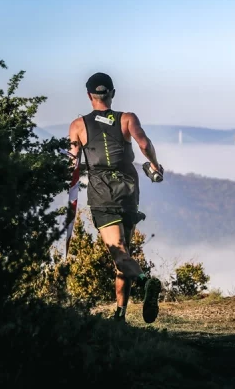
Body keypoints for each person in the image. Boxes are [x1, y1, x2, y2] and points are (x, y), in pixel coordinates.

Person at [68, 72, 163, 323]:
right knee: (124, 255)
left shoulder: (78, 126)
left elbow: (72, 161)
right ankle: (120, 315)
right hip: (129, 191)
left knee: (119, 253)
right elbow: (143, 144)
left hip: (102, 194)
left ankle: (145, 281)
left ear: (89, 96)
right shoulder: (127, 118)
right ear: (112, 93)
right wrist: (155, 164)